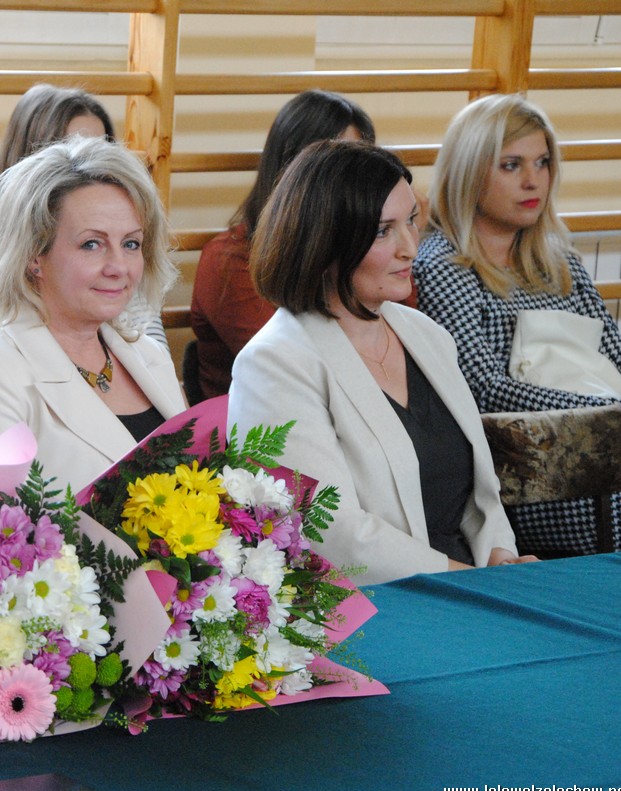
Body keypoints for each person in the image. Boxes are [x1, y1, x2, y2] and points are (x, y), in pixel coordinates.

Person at [228, 140, 535, 586]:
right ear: (325, 242)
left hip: (471, 584)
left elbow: (479, 498)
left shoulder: (426, 335)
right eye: (382, 231)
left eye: (411, 220)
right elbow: (329, 532)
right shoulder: (273, 363)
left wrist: (501, 560)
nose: (410, 247)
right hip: (378, 602)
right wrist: (472, 583)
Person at [414, 93, 621, 558]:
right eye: (511, 165)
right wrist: (614, 418)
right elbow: (483, 389)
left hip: (611, 434)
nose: (533, 180)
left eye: (542, 162)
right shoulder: (443, 266)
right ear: (469, 173)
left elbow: (619, 357)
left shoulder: (559, 262)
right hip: (533, 466)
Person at [0, 136, 186, 492]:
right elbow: (0, 524)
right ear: (34, 255)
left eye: (131, 243)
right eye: (92, 244)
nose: (118, 266)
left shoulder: (150, 355)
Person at [0, 83, 167, 347]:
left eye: (101, 150)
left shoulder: (123, 270)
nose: (89, 164)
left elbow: (155, 361)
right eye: (68, 149)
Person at [191, 90, 375, 399]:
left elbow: (400, 345)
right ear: (291, 169)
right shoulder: (231, 259)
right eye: (337, 166)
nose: (355, 184)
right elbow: (299, 370)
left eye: (361, 167)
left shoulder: (360, 250)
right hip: (263, 422)